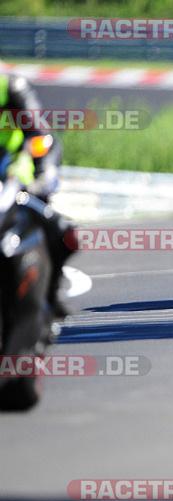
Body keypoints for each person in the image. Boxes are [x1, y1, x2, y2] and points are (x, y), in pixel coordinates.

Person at [1, 60, 74, 317]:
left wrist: (43, 173)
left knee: (62, 231)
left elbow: (41, 135)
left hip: (13, 178)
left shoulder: (10, 86)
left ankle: (51, 294)